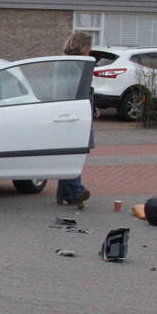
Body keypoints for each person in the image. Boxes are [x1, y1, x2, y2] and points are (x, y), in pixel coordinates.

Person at [57, 31, 92, 208]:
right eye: (88, 46)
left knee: (71, 152)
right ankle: (75, 191)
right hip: (72, 113)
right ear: (82, 45)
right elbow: (70, 90)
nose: (90, 50)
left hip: (75, 111)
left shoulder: (69, 63)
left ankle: (65, 191)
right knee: (74, 152)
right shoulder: (73, 64)